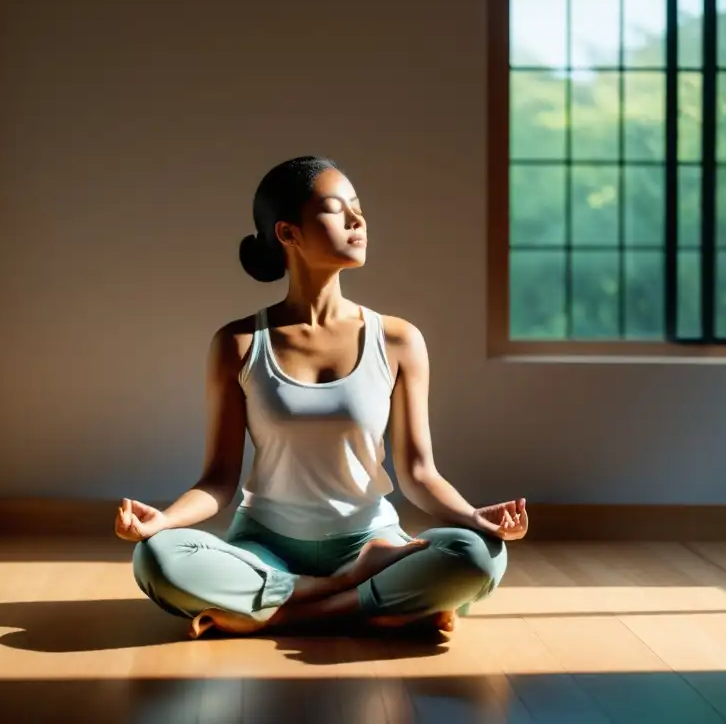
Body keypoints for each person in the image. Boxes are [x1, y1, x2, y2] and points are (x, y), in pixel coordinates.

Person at [115, 156, 528, 639]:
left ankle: (286, 612)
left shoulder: (398, 340)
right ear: (288, 234)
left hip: (371, 538)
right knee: (158, 558)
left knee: (478, 555)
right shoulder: (239, 343)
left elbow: (418, 473)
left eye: (359, 208)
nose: (358, 221)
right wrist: (161, 521)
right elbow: (219, 480)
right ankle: (368, 597)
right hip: (266, 546)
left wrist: (474, 517)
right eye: (337, 210)